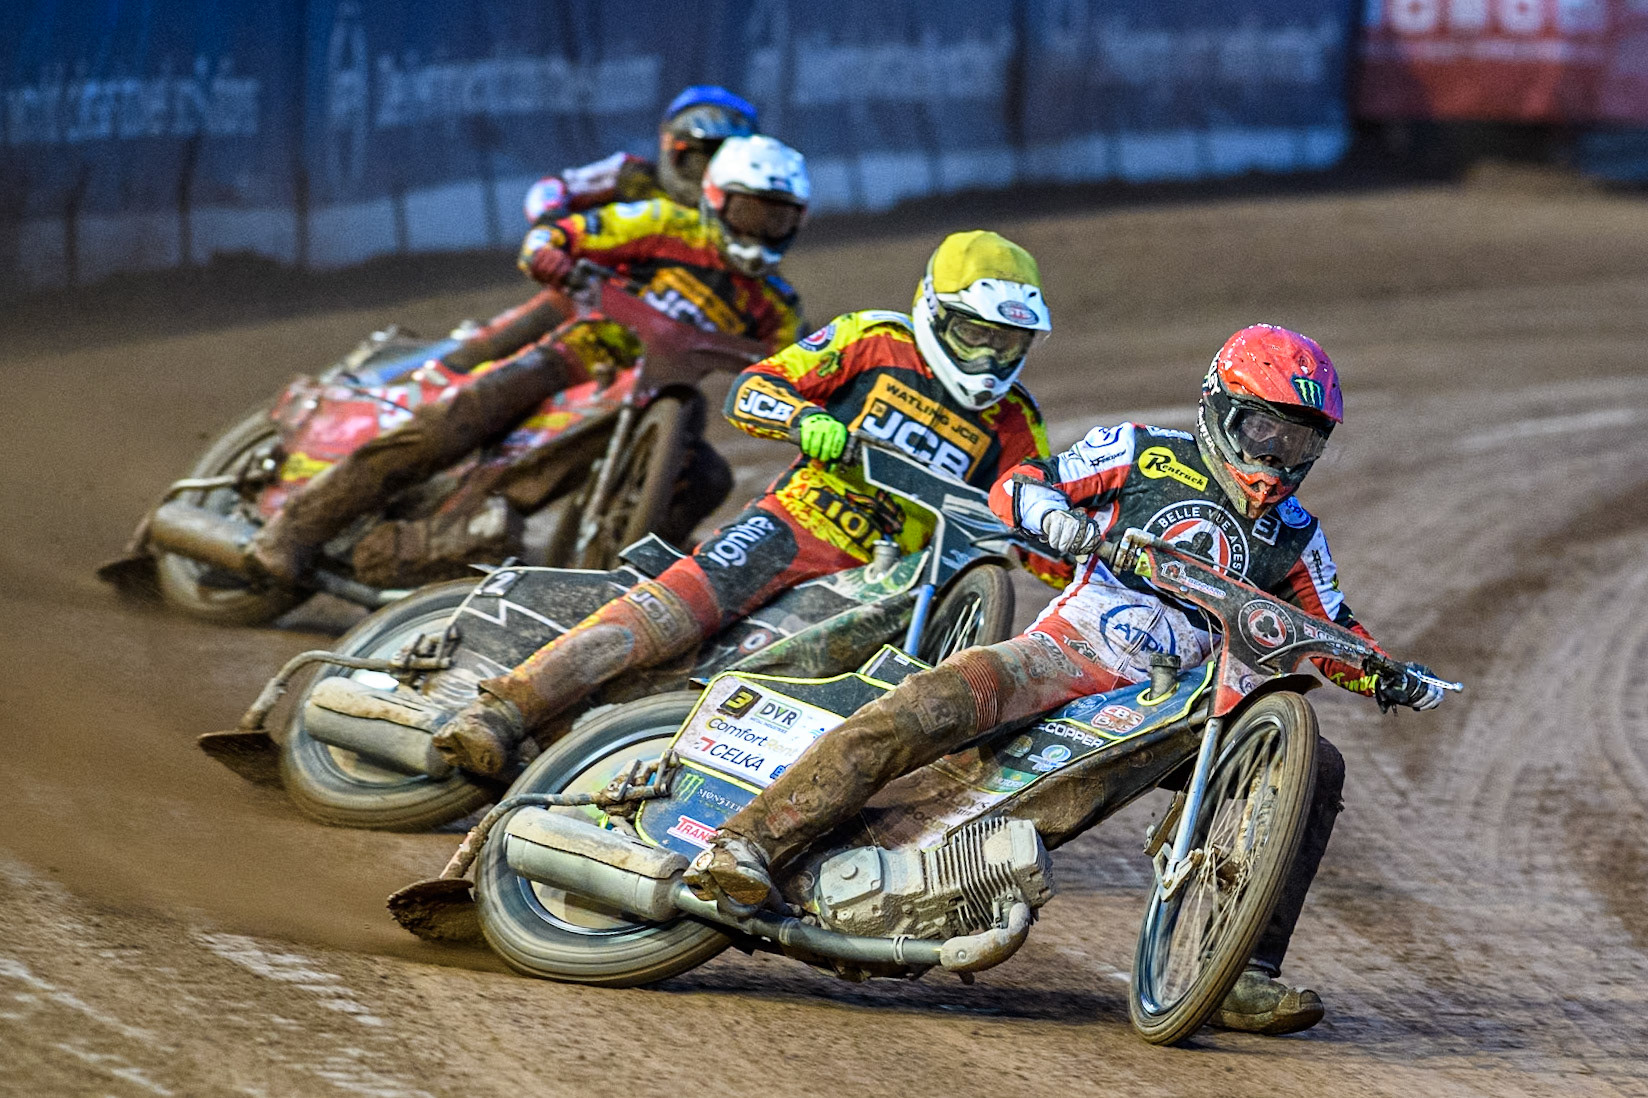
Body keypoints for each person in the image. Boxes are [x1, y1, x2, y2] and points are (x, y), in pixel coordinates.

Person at [683, 324, 1445, 1036]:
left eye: (1299, 441)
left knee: (1318, 767)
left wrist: (1390, 674)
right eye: (1263, 432)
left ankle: (1242, 971)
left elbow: (1333, 632)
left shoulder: (1299, 537)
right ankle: (747, 843)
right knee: (933, 702)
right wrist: (1058, 522)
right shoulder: (1143, 451)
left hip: (1174, 708)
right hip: (1067, 651)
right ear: (1219, 410)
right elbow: (1021, 485)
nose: (1277, 456)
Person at [429, 229, 1058, 780]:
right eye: (975, 333)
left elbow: (1036, 531)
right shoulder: (871, 340)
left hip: (886, 582)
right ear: (935, 311)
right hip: (795, 524)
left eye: (1008, 342)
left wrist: (1081, 542)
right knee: (674, 613)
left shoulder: (1015, 422)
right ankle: (500, 709)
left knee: (815, 697)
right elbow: (756, 387)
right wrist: (804, 418)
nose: (989, 357)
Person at [245, 134, 808, 588]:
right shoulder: (663, 223)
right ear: (715, 199)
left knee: (710, 477)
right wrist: (550, 251)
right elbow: (566, 234)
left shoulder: (775, 304)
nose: (762, 230)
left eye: (778, 219)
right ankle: (296, 528)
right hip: (576, 358)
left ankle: (624, 582)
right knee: (456, 420)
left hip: (657, 398)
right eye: (751, 212)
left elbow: (794, 367)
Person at [442, 86, 760, 373]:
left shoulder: (744, 213)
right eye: (703, 157)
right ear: (672, 146)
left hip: (663, 327)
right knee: (508, 338)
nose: (709, 170)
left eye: (724, 160)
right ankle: (446, 371)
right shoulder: (632, 175)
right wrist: (551, 222)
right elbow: (553, 187)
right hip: (589, 290)